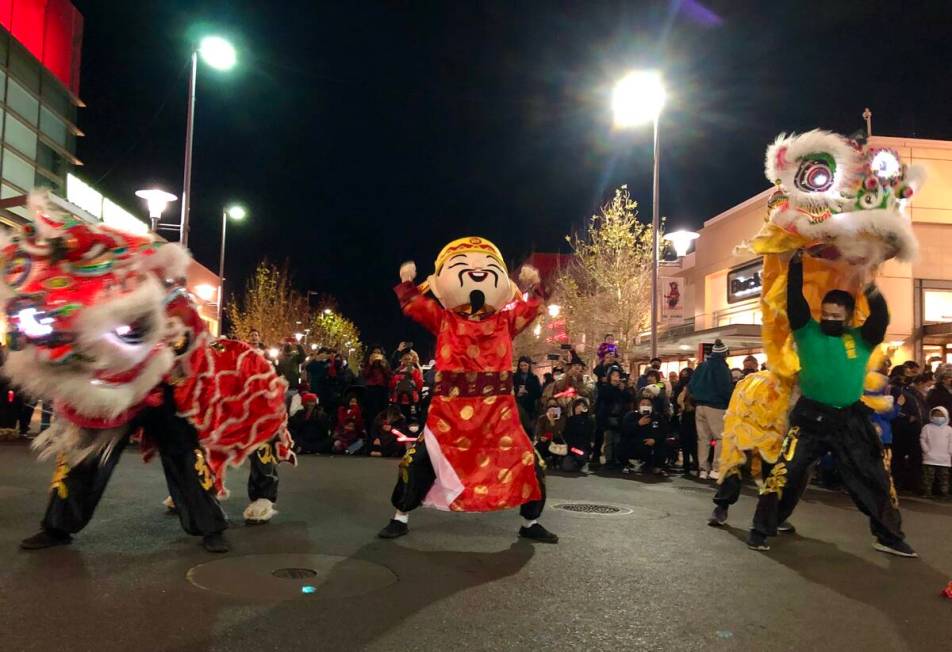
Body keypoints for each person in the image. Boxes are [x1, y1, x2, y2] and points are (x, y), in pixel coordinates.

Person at [378, 238, 557, 544]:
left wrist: (535, 287)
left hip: (498, 412)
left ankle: (531, 521)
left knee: (528, 461)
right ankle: (400, 515)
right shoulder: (444, 319)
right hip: (448, 411)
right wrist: (408, 285)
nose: (476, 273)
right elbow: (415, 306)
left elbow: (532, 308)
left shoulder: (505, 321)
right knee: (421, 459)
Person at [747, 250, 916, 557]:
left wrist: (865, 278)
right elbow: (794, 301)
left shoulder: (861, 338)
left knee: (874, 477)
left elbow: (881, 317)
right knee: (786, 473)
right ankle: (762, 529)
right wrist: (796, 264)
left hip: (851, 419)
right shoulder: (807, 330)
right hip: (810, 418)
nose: (829, 319)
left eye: (837, 317)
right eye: (826, 314)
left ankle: (889, 537)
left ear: (849, 317)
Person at [688, 339, 733, 480]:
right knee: (720, 437)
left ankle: (702, 469)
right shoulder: (722, 368)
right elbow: (725, 389)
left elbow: (691, 386)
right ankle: (716, 469)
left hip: (699, 406)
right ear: (724, 353)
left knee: (703, 439)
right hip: (716, 406)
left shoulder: (702, 366)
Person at [892, 372, 932, 492]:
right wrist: (907, 417)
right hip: (904, 430)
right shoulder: (899, 391)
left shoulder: (916, 394)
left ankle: (912, 483)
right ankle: (900, 483)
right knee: (900, 457)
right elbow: (894, 409)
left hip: (916, 429)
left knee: (914, 457)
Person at [621, 394, 669, 475]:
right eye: (643, 404)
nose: (645, 406)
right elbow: (625, 430)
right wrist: (638, 424)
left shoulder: (657, 416)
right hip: (636, 443)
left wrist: (655, 440)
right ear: (639, 405)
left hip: (653, 443)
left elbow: (664, 431)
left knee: (664, 444)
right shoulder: (631, 416)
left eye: (648, 405)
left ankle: (658, 466)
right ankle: (632, 464)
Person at [596, 368, 629, 468]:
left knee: (618, 440)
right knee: (609, 440)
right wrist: (613, 387)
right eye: (614, 375)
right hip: (608, 418)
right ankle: (609, 460)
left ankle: (617, 459)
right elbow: (605, 398)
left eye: (618, 375)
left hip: (620, 418)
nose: (616, 377)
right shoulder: (605, 388)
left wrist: (623, 390)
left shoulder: (622, 388)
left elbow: (628, 399)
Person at [920, 406, 952, 499]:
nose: (938, 417)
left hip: (944, 458)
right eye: (936, 415)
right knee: (928, 477)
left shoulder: (949, 429)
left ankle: (944, 493)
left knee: (944, 478)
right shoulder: (927, 427)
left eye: (941, 415)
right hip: (929, 457)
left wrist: (949, 452)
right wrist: (926, 450)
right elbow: (923, 439)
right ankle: (927, 492)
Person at [390, 349, 424, 424]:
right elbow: (392, 384)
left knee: (411, 420)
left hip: (411, 400)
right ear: (401, 360)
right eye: (405, 359)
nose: (407, 361)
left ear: (412, 360)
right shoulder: (397, 371)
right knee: (399, 420)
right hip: (399, 400)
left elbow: (419, 384)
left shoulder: (416, 371)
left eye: (409, 359)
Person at [673, 368, 697, 474]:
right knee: (686, 442)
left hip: (693, 417)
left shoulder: (693, 387)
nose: (684, 377)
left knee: (692, 443)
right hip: (684, 417)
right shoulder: (680, 387)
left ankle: (695, 464)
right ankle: (687, 465)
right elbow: (676, 401)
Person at [561, 398, 594, 472]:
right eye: (577, 406)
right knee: (567, 467)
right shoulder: (570, 420)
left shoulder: (589, 420)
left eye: (582, 406)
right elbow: (566, 434)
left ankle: (584, 463)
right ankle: (575, 463)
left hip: (583, 448)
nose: (579, 408)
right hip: (572, 448)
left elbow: (589, 433)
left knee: (581, 456)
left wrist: (582, 416)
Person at [514, 356, 542, 436]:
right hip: (518, 405)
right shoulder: (515, 377)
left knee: (528, 427)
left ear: (529, 365)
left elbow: (538, 393)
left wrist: (528, 393)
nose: (523, 367)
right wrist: (517, 393)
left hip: (530, 406)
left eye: (525, 365)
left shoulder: (534, 378)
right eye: (521, 365)